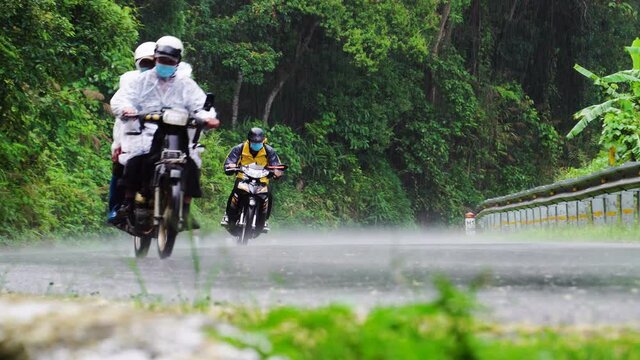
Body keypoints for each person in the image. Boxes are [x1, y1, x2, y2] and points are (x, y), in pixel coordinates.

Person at [110, 35, 220, 228]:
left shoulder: (186, 84)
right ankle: (128, 203)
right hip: (147, 131)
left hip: (179, 134)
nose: (165, 64)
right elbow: (122, 100)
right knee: (136, 160)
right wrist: (127, 109)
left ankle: (184, 209)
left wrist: (209, 117)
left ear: (177, 62)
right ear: (156, 59)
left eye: (170, 61)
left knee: (191, 165)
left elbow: (200, 105)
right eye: (162, 60)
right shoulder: (140, 81)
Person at [107, 41, 157, 223]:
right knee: (120, 166)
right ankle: (116, 206)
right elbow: (117, 106)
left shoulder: (171, 84)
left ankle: (176, 206)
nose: (148, 67)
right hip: (132, 135)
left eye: (151, 63)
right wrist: (117, 144)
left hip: (162, 137)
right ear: (137, 64)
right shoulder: (129, 82)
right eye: (144, 63)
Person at [220, 127, 282, 231]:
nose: (256, 144)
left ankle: (265, 220)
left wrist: (277, 172)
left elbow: (276, 164)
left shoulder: (269, 150)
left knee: (269, 195)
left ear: (263, 141)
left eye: (259, 142)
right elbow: (230, 160)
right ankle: (228, 215)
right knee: (235, 192)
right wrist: (230, 166)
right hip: (243, 178)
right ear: (249, 140)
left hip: (262, 180)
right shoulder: (239, 148)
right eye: (254, 142)